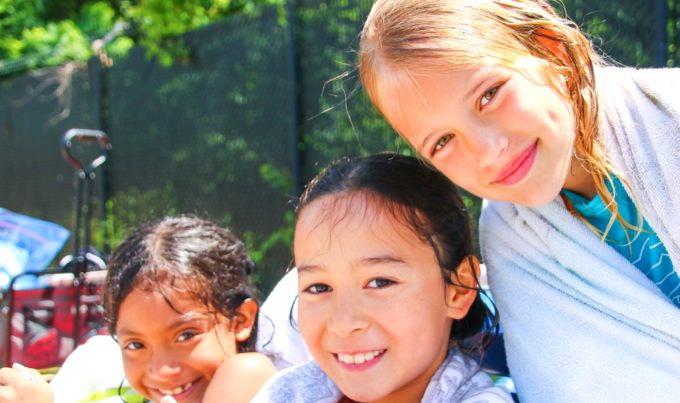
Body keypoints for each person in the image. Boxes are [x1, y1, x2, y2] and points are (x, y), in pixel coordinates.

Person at [358, 0, 680, 401]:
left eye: (489, 94)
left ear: (551, 50)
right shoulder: (513, 237)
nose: (488, 152)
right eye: (442, 141)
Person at [252, 153, 513, 402]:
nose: (344, 323)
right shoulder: (286, 393)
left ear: (458, 288)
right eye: (319, 287)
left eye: (380, 282)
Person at [0, 216, 277, 403]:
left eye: (185, 335)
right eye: (135, 345)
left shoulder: (248, 374)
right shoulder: (111, 375)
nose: (162, 370)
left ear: (240, 320)